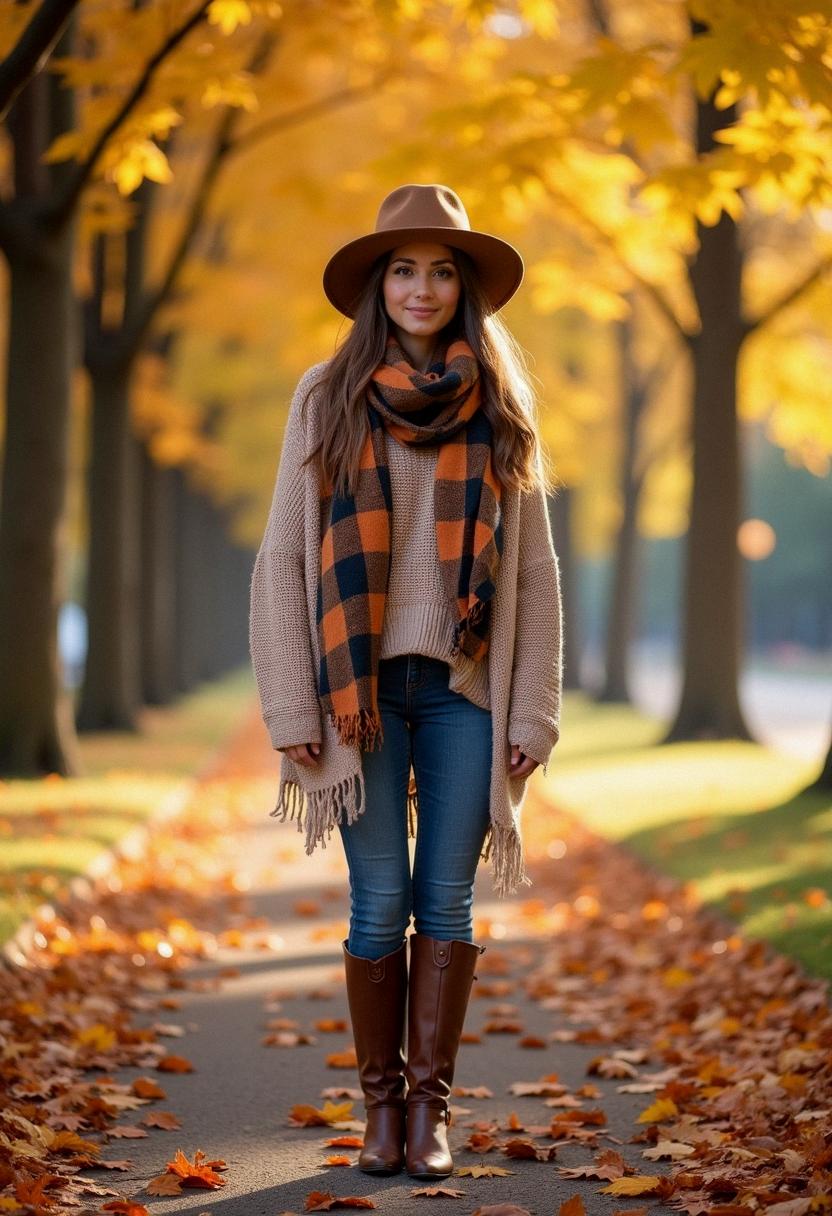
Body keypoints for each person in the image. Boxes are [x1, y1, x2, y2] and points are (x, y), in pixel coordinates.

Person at [249, 183, 563, 1181]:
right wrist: (294, 705)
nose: (420, 287)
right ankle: (379, 1110)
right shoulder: (326, 394)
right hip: (362, 691)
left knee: (450, 902)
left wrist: (534, 710)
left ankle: (428, 1111)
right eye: (401, 268)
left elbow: (536, 569)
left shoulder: (501, 404)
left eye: (438, 270)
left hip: (466, 688)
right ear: (376, 285)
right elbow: (284, 559)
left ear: (461, 288)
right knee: (378, 899)